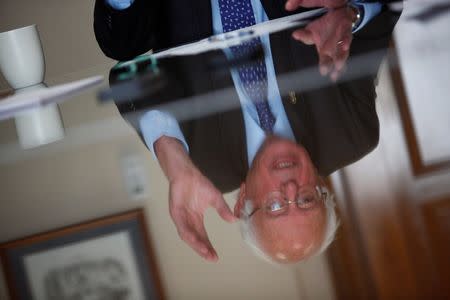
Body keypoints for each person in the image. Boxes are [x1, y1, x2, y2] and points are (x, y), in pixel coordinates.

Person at [95, 0, 398, 263]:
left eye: (276, 206)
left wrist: (170, 152)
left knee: (120, 40)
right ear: (321, 187)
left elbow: (127, 74)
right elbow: (383, 14)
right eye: (307, 200)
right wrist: (351, 16)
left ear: (242, 204)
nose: (291, 188)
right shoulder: (351, 133)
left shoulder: (201, 164)